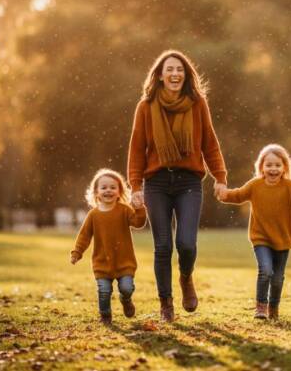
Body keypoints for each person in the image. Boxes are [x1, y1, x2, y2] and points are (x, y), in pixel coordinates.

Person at [127, 50, 228, 322]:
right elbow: (137, 149)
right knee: (162, 246)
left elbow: (209, 142)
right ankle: (166, 303)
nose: (175, 74)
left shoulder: (197, 103)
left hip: (189, 182)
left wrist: (220, 177)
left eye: (180, 70)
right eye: (169, 69)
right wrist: (135, 185)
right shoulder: (146, 106)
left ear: (186, 75)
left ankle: (186, 277)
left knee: (186, 243)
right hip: (156, 182)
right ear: (159, 75)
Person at [217, 144, 291, 320]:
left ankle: (273, 308)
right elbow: (238, 195)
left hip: (283, 238)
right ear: (261, 167)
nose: (273, 169)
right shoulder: (255, 185)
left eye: (277, 165)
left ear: (284, 168)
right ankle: (261, 307)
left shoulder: (289, 186)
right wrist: (224, 193)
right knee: (266, 270)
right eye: (269, 165)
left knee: (277, 278)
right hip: (261, 238)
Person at [71, 169, 147, 324]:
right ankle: (105, 316)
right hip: (102, 263)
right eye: (104, 187)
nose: (108, 190)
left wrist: (140, 208)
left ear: (119, 192)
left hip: (124, 262)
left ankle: (126, 300)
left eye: (113, 187)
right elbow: (84, 236)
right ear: (96, 192)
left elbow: (139, 223)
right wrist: (77, 252)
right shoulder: (93, 215)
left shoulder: (125, 210)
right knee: (104, 292)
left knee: (126, 288)